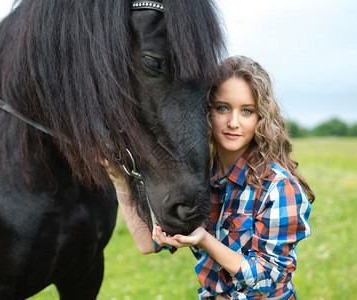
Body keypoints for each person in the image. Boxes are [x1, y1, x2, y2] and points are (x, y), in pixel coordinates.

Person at [108, 56, 314, 299]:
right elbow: (148, 244)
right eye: (222, 108)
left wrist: (205, 239)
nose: (233, 122)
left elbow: (268, 277)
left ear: (261, 118)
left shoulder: (279, 188)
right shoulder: (198, 180)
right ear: (205, 111)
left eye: (247, 111)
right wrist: (119, 179)